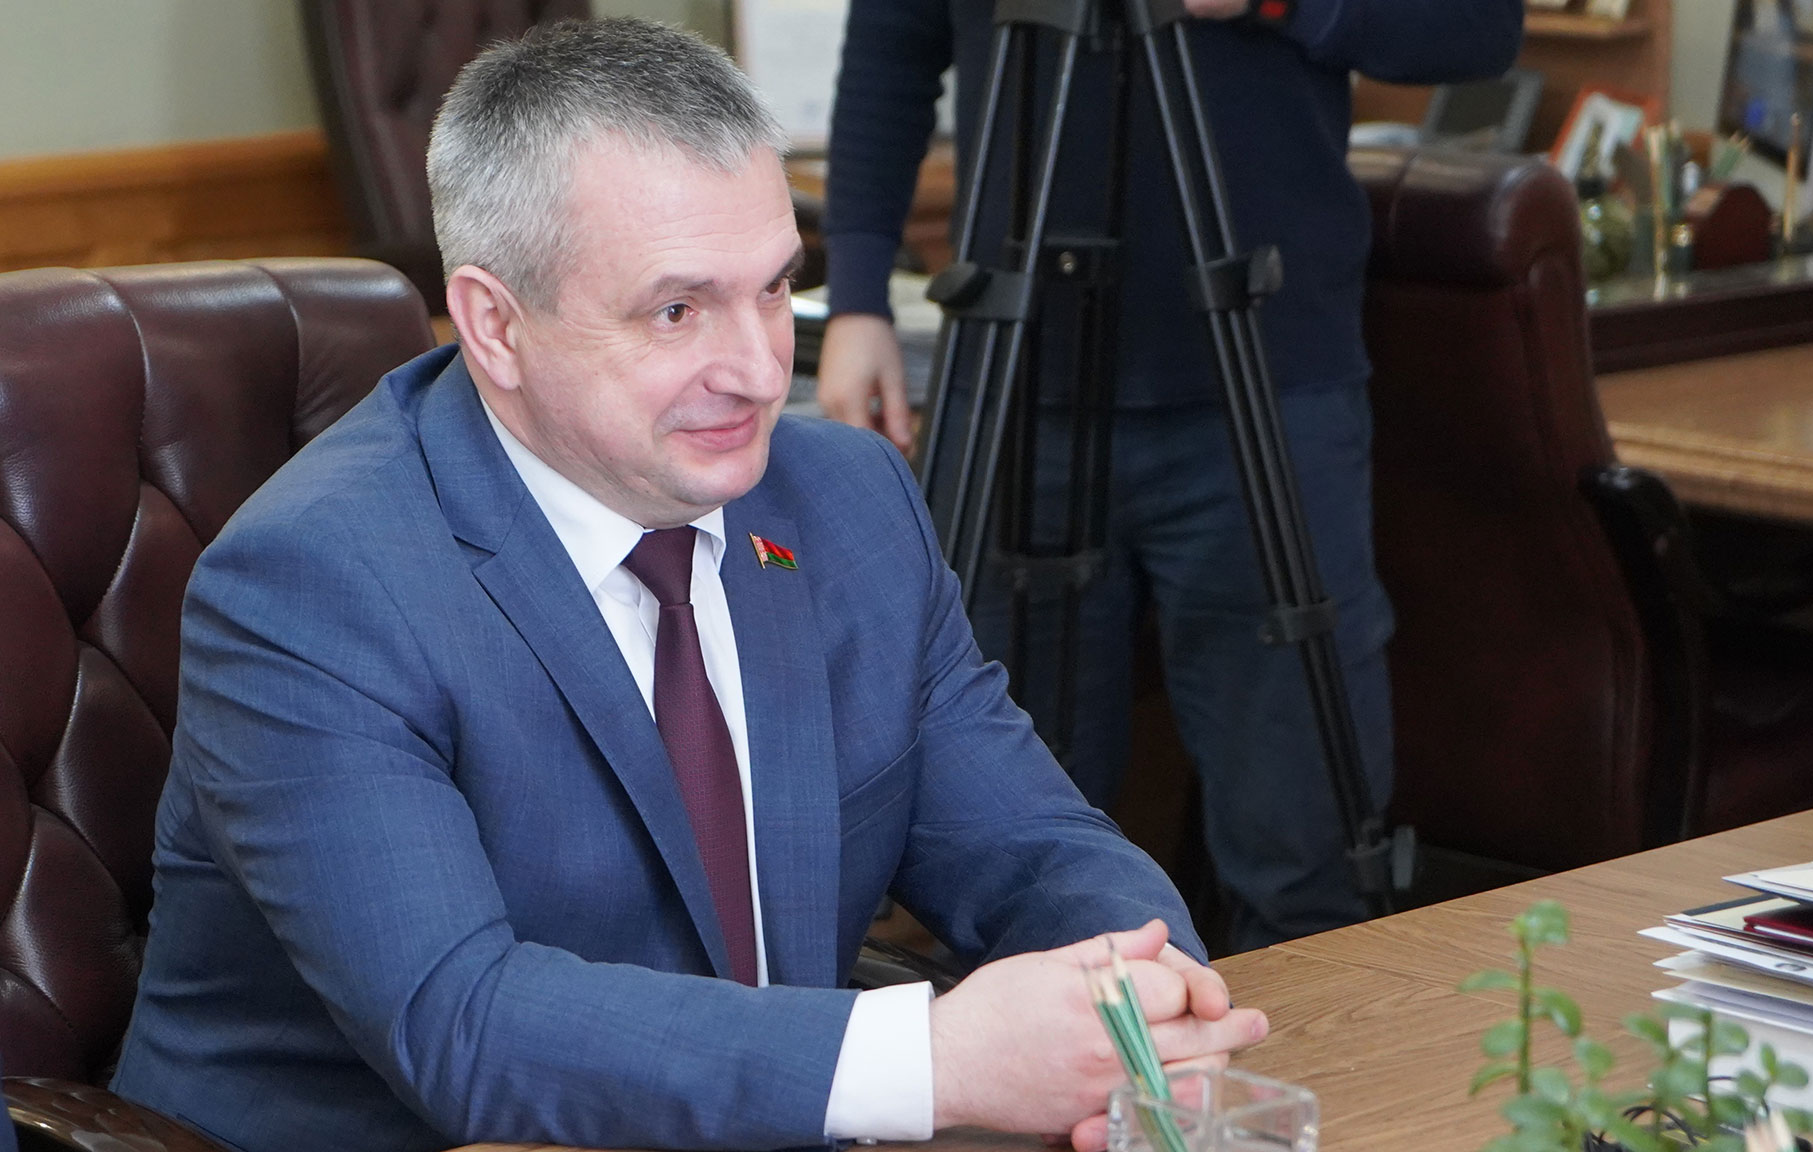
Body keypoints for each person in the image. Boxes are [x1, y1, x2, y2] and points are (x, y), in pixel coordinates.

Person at [107, 19, 1266, 1152]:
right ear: (495, 325)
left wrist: (1148, 989)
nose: (759, 371)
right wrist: (934, 1060)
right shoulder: (316, 584)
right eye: (677, 310)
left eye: (775, 289)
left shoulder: (846, 501)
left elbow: (1031, 843)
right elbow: (461, 1024)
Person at [817, 0, 1525, 948]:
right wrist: (857, 295)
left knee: (1304, 854)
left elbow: (1478, 28)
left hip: (1268, 378)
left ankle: (1308, 1051)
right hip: (1021, 377)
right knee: (993, 856)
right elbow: (891, 47)